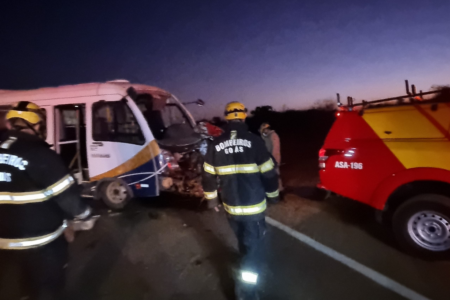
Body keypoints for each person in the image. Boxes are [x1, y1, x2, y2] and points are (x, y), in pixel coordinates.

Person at [0, 101, 93, 300]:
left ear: (9, 125)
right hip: (42, 245)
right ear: (38, 126)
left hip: (4, 245)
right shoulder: (41, 155)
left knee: (16, 288)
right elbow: (67, 197)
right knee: (45, 291)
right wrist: (85, 216)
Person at [202, 102, 279, 300]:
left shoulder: (215, 144)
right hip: (253, 209)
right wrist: (273, 196)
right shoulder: (254, 141)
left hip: (232, 208)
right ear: (244, 116)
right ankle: (246, 295)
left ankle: (246, 272)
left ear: (227, 118)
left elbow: (208, 176)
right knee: (253, 254)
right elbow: (269, 173)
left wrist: (212, 201)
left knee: (244, 243)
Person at [259, 123, 283, 192]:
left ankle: (280, 190)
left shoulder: (273, 136)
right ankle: (272, 190)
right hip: (268, 160)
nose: (263, 131)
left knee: (276, 175)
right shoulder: (265, 136)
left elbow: (276, 149)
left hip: (274, 160)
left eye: (264, 129)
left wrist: (275, 161)